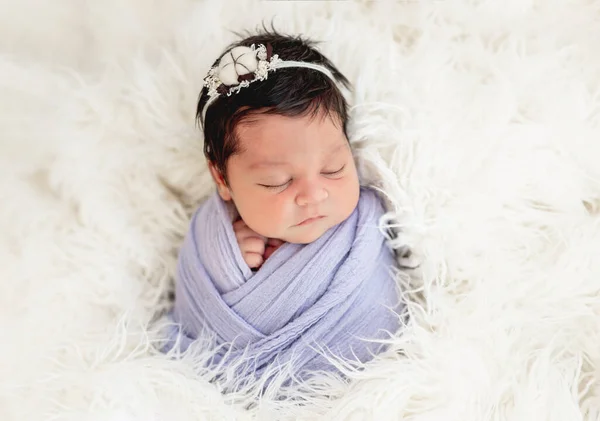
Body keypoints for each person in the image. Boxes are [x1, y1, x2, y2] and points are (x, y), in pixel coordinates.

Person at [162, 30, 403, 387]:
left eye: (333, 169)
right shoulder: (211, 239)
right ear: (223, 180)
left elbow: (382, 306)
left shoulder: (365, 232)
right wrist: (229, 255)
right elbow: (197, 322)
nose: (313, 194)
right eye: (277, 182)